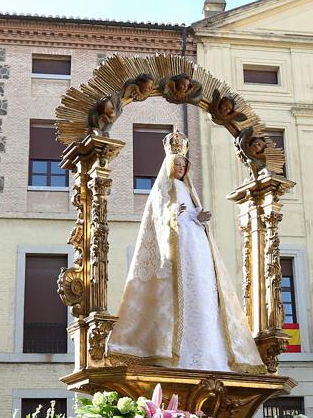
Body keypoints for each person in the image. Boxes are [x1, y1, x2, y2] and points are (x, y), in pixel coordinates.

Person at [108, 131, 262, 373]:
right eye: (176, 164)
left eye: (183, 164)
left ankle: (212, 355)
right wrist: (172, 214)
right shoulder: (161, 189)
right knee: (179, 294)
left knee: (203, 292)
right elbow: (156, 218)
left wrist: (198, 217)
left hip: (196, 246)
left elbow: (194, 214)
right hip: (176, 247)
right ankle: (176, 353)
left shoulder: (189, 189)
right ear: (169, 165)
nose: (180, 168)